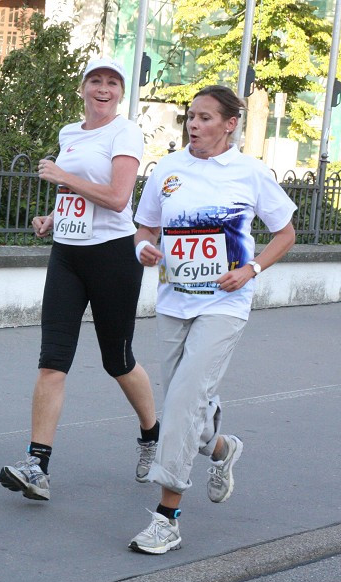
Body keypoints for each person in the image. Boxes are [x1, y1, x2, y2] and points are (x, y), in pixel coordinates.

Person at [128, 85, 297, 554]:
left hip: (223, 303)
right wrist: (143, 248)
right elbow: (146, 227)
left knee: (182, 402)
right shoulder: (168, 169)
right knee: (189, 403)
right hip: (173, 300)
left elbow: (285, 231)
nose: (194, 126)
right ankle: (222, 448)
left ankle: (167, 518)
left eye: (204, 118)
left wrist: (251, 269)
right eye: (191, 117)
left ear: (230, 125)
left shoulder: (250, 172)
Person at [0, 57, 158, 502]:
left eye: (112, 83)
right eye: (96, 80)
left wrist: (63, 177)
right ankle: (37, 466)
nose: (103, 89)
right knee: (52, 361)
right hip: (67, 255)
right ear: (83, 87)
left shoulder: (125, 132)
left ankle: (151, 432)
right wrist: (53, 215)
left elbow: (118, 197)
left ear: (121, 93)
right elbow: (77, 194)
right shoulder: (70, 133)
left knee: (118, 360)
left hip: (112, 257)